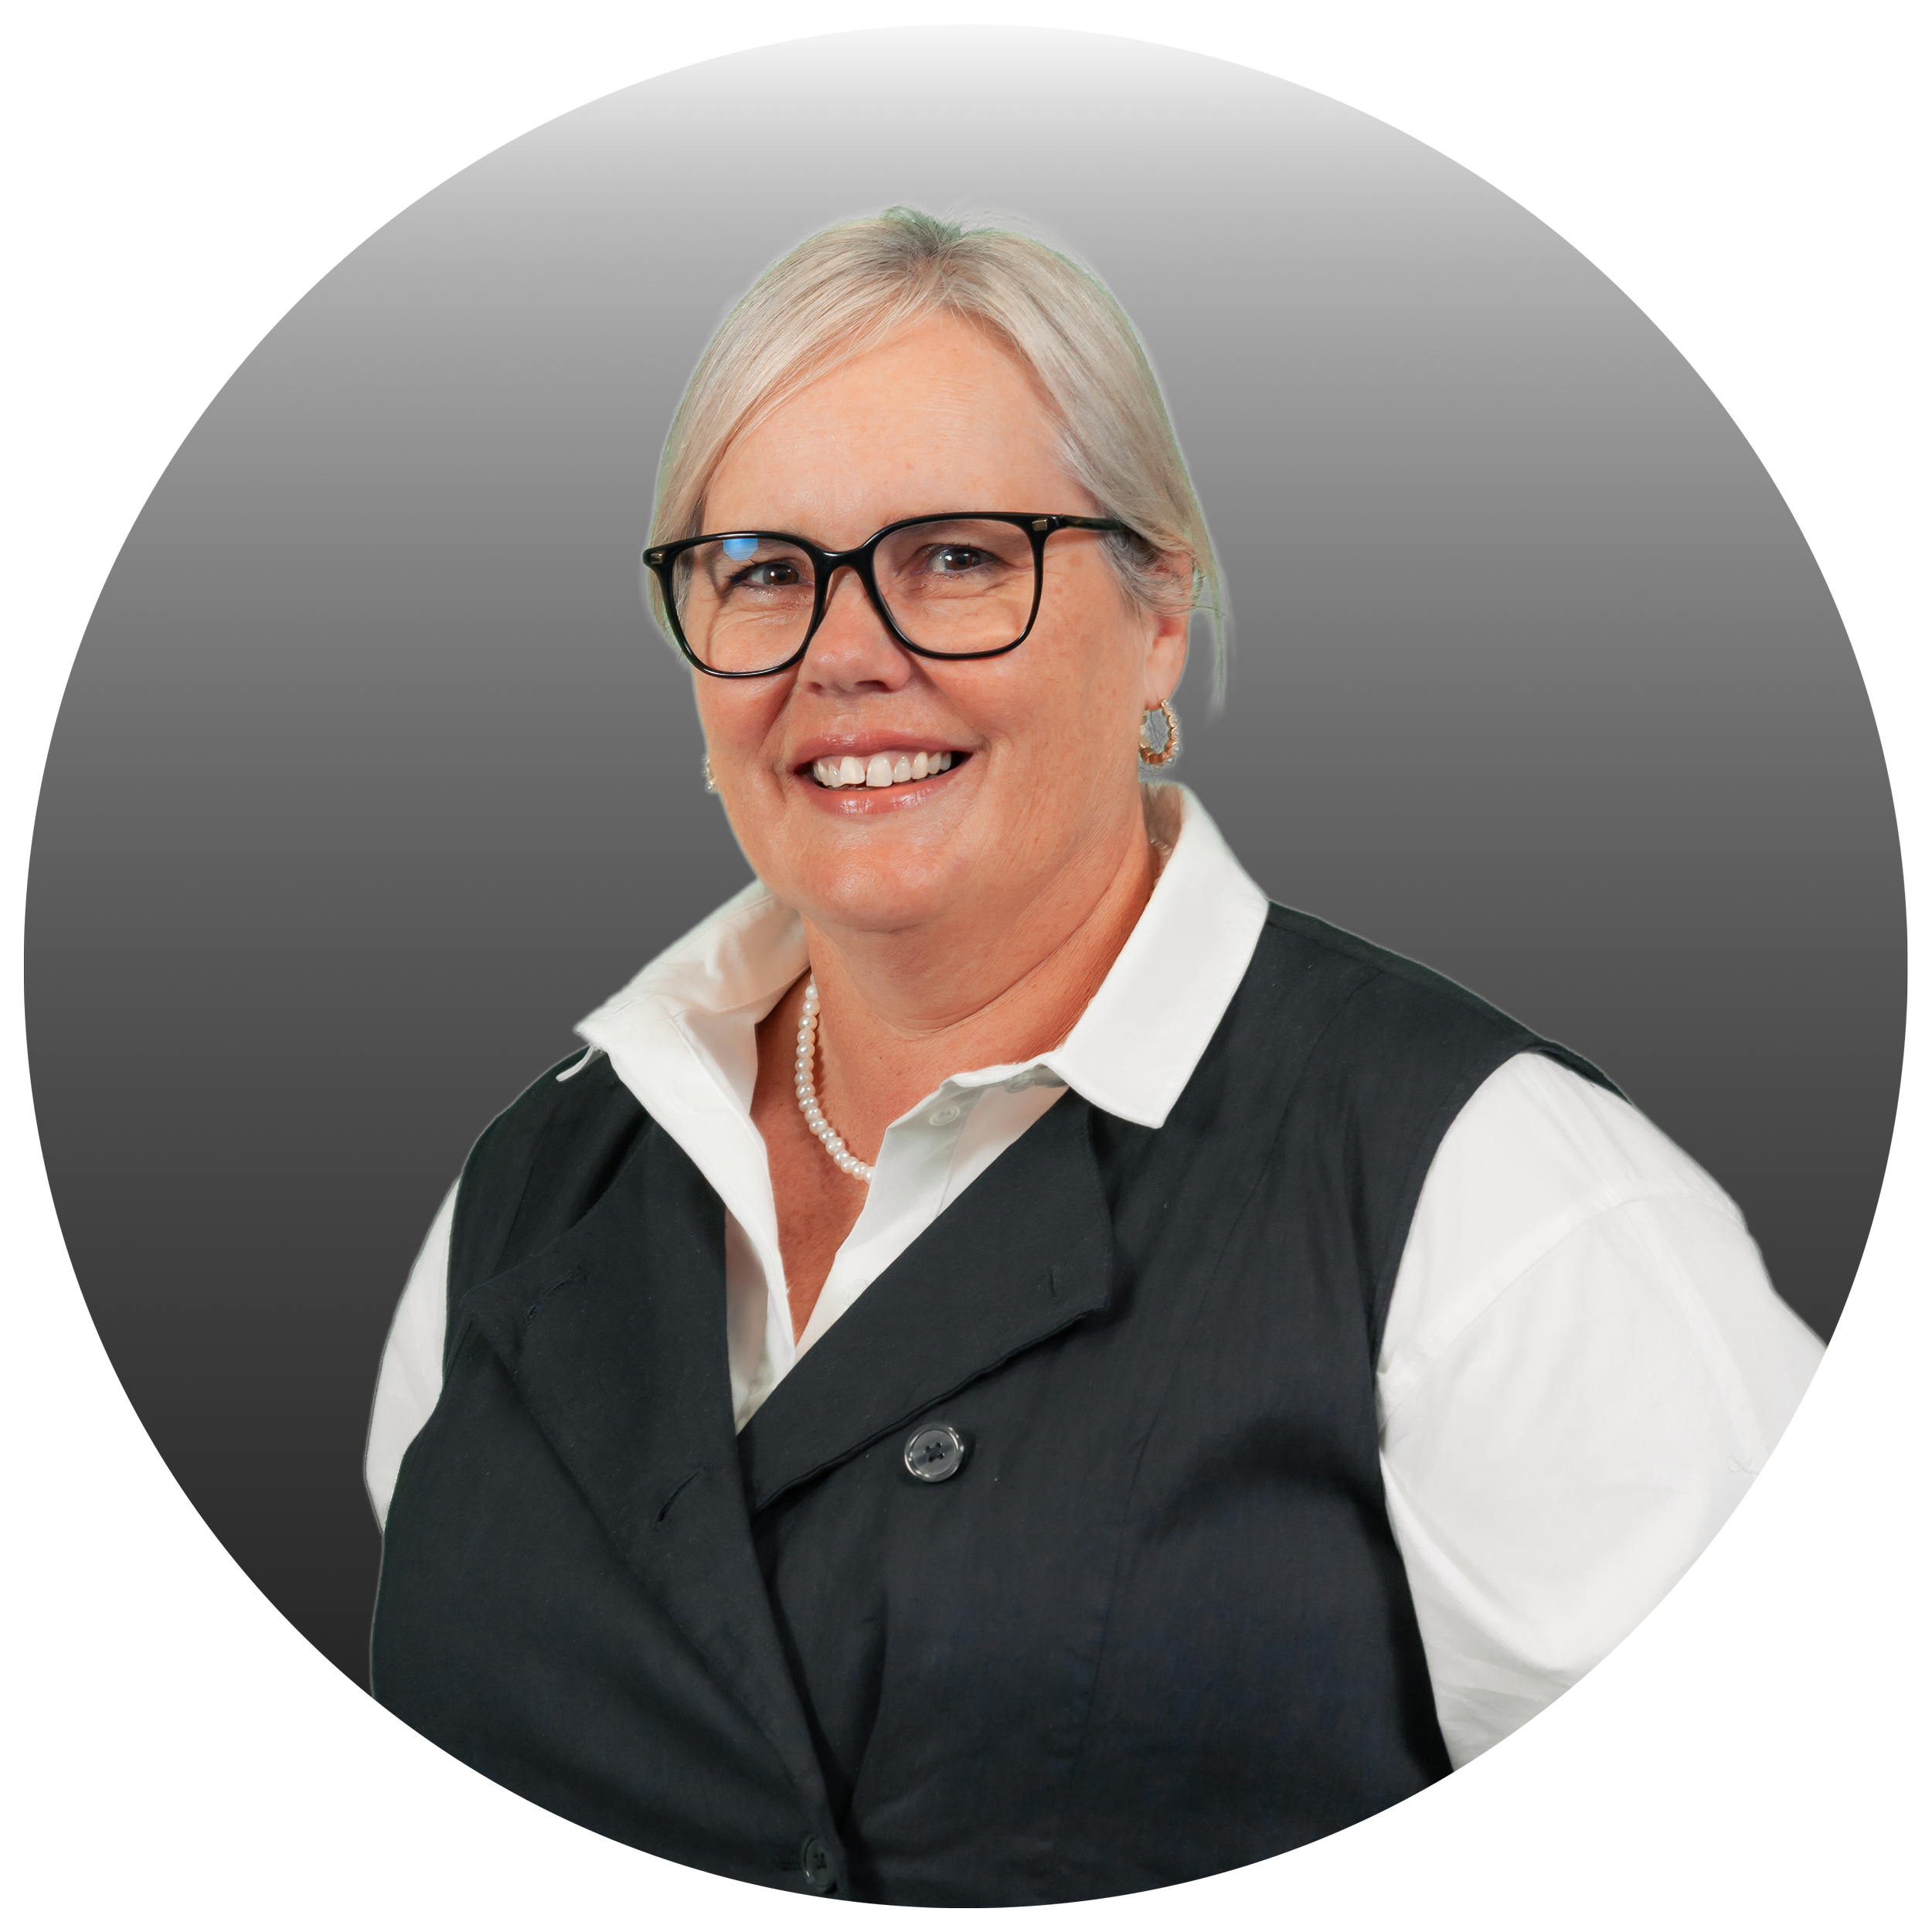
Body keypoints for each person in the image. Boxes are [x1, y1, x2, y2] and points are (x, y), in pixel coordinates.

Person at [365, 207, 1816, 1906]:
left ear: (1155, 620)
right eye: (762, 568)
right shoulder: (524, 1189)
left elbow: (1759, 1846)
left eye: (958, 556)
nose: (842, 650)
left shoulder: (1498, 1198)